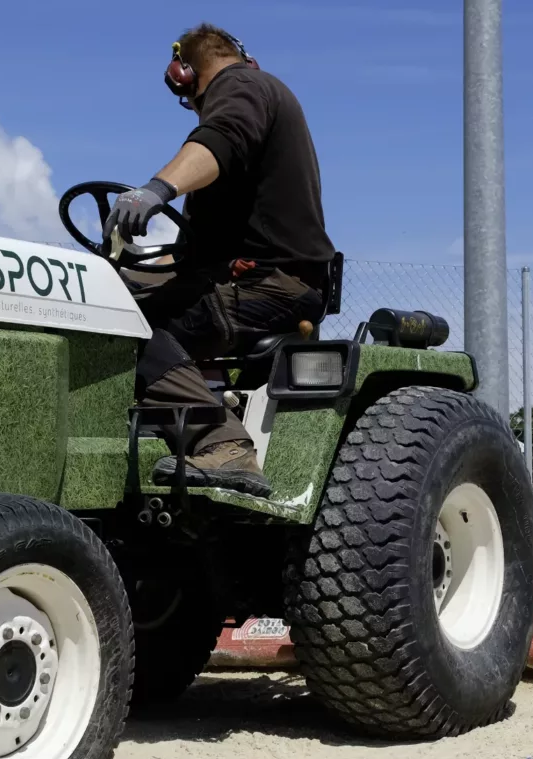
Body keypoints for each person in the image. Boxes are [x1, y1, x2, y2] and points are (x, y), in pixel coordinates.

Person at [103, 23, 335, 499]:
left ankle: (222, 444)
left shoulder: (241, 86)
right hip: (257, 278)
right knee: (115, 290)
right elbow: (193, 254)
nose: (193, 107)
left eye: (188, 97)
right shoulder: (260, 102)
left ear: (185, 72)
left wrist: (155, 190)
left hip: (270, 285)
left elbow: (222, 137)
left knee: (118, 325)